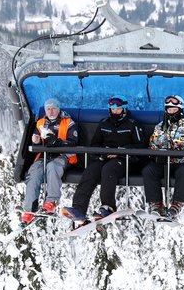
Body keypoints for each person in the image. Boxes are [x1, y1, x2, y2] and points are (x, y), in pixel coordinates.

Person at [61, 96, 143, 225]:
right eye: (112, 109)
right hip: (105, 157)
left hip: (125, 159)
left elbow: (140, 146)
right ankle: (79, 208)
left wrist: (119, 152)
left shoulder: (133, 124)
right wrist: (105, 153)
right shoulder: (104, 123)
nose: (115, 111)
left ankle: (108, 207)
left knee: (108, 169)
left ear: (125, 109)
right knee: (91, 170)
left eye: (118, 109)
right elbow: (95, 144)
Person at [142, 94, 184, 221]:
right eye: (169, 110)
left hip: (182, 161)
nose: (171, 112)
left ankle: (176, 205)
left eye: (174, 110)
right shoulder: (160, 127)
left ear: (180, 111)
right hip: (164, 162)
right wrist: (158, 155)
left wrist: (176, 152)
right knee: (149, 170)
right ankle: (156, 205)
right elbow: (153, 145)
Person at [22, 97, 78, 223]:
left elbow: (73, 143)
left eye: (53, 108)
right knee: (35, 171)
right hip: (44, 155)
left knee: (53, 167)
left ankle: (51, 201)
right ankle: (30, 208)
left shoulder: (68, 122)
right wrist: (35, 142)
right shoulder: (40, 123)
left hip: (63, 156)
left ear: (58, 109)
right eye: (48, 109)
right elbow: (36, 144)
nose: (51, 111)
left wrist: (56, 142)